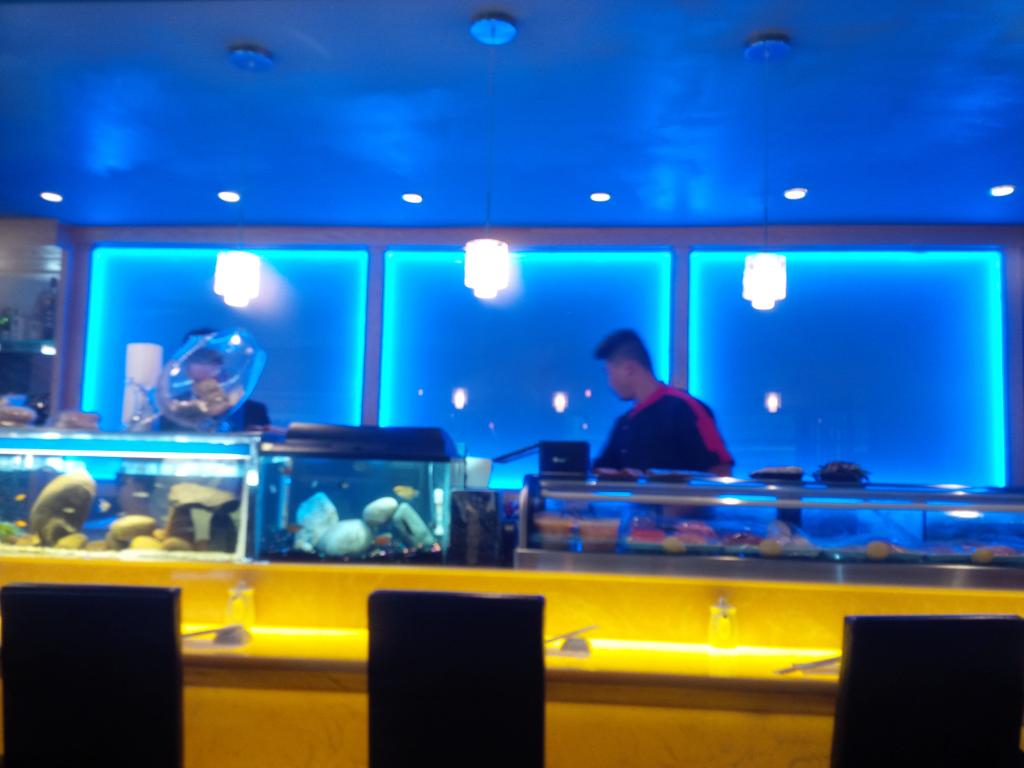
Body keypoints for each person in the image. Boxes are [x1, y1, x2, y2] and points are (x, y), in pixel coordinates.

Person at [593, 329, 734, 475]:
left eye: (609, 373)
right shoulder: (624, 423)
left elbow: (721, 471)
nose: (610, 382)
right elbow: (601, 471)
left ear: (628, 369)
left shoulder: (685, 408)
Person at [160, 328, 271, 432]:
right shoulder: (172, 408)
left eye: (212, 359)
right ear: (186, 364)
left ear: (221, 364)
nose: (205, 366)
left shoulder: (253, 411)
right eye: (198, 358)